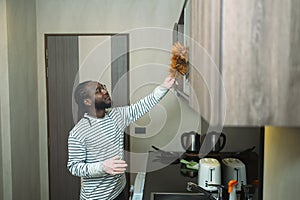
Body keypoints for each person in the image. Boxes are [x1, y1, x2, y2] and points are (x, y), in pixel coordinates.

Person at [67, 76, 175, 200]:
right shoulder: (78, 132)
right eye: (98, 91)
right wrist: (102, 167)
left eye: (103, 87)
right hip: (96, 197)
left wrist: (163, 87)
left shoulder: (117, 115)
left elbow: (141, 106)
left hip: (119, 190)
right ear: (87, 102)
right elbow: (74, 167)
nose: (105, 91)